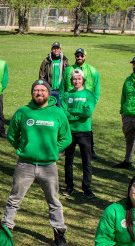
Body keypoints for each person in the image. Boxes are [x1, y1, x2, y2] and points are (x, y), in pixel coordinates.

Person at [2, 79, 71, 246]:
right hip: (25, 164)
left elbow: (66, 138)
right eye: (36, 90)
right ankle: (6, 229)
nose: (39, 93)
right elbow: (11, 134)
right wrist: (22, 148)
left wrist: (54, 151)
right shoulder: (23, 112)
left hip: (48, 166)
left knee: (54, 201)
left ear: (48, 93)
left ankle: (59, 234)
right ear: (32, 93)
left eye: (42, 90)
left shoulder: (57, 113)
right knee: (14, 199)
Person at [59, 69, 98, 199]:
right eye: (74, 79)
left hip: (85, 132)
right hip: (70, 132)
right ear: (71, 81)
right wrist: (78, 112)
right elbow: (64, 114)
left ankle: (86, 188)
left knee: (86, 161)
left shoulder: (89, 94)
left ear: (83, 80)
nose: (76, 81)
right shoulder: (65, 95)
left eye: (79, 79)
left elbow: (88, 113)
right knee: (68, 161)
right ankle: (69, 187)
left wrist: (72, 111)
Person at [61, 48, 101, 160]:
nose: (79, 57)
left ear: (85, 57)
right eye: (77, 55)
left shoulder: (92, 70)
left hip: (86, 103)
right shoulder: (68, 70)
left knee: (86, 125)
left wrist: (94, 101)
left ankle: (90, 150)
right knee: (68, 126)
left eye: (81, 55)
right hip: (70, 102)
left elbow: (96, 86)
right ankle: (65, 147)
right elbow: (62, 87)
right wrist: (63, 101)